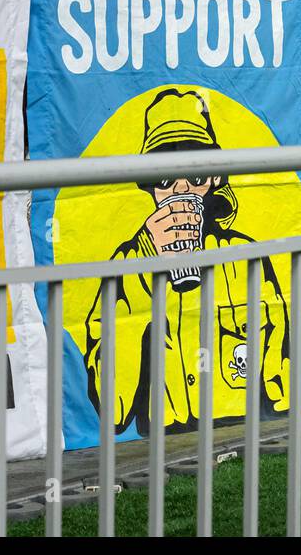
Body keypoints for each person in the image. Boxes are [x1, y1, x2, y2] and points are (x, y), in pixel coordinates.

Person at [86, 88, 290, 435]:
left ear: (214, 179)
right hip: (159, 446)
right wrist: (146, 265)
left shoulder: (246, 257)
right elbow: (113, 408)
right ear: (151, 186)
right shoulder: (127, 264)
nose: (182, 190)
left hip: (238, 433)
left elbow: (281, 385)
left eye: (195, 176)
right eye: (166, 179)